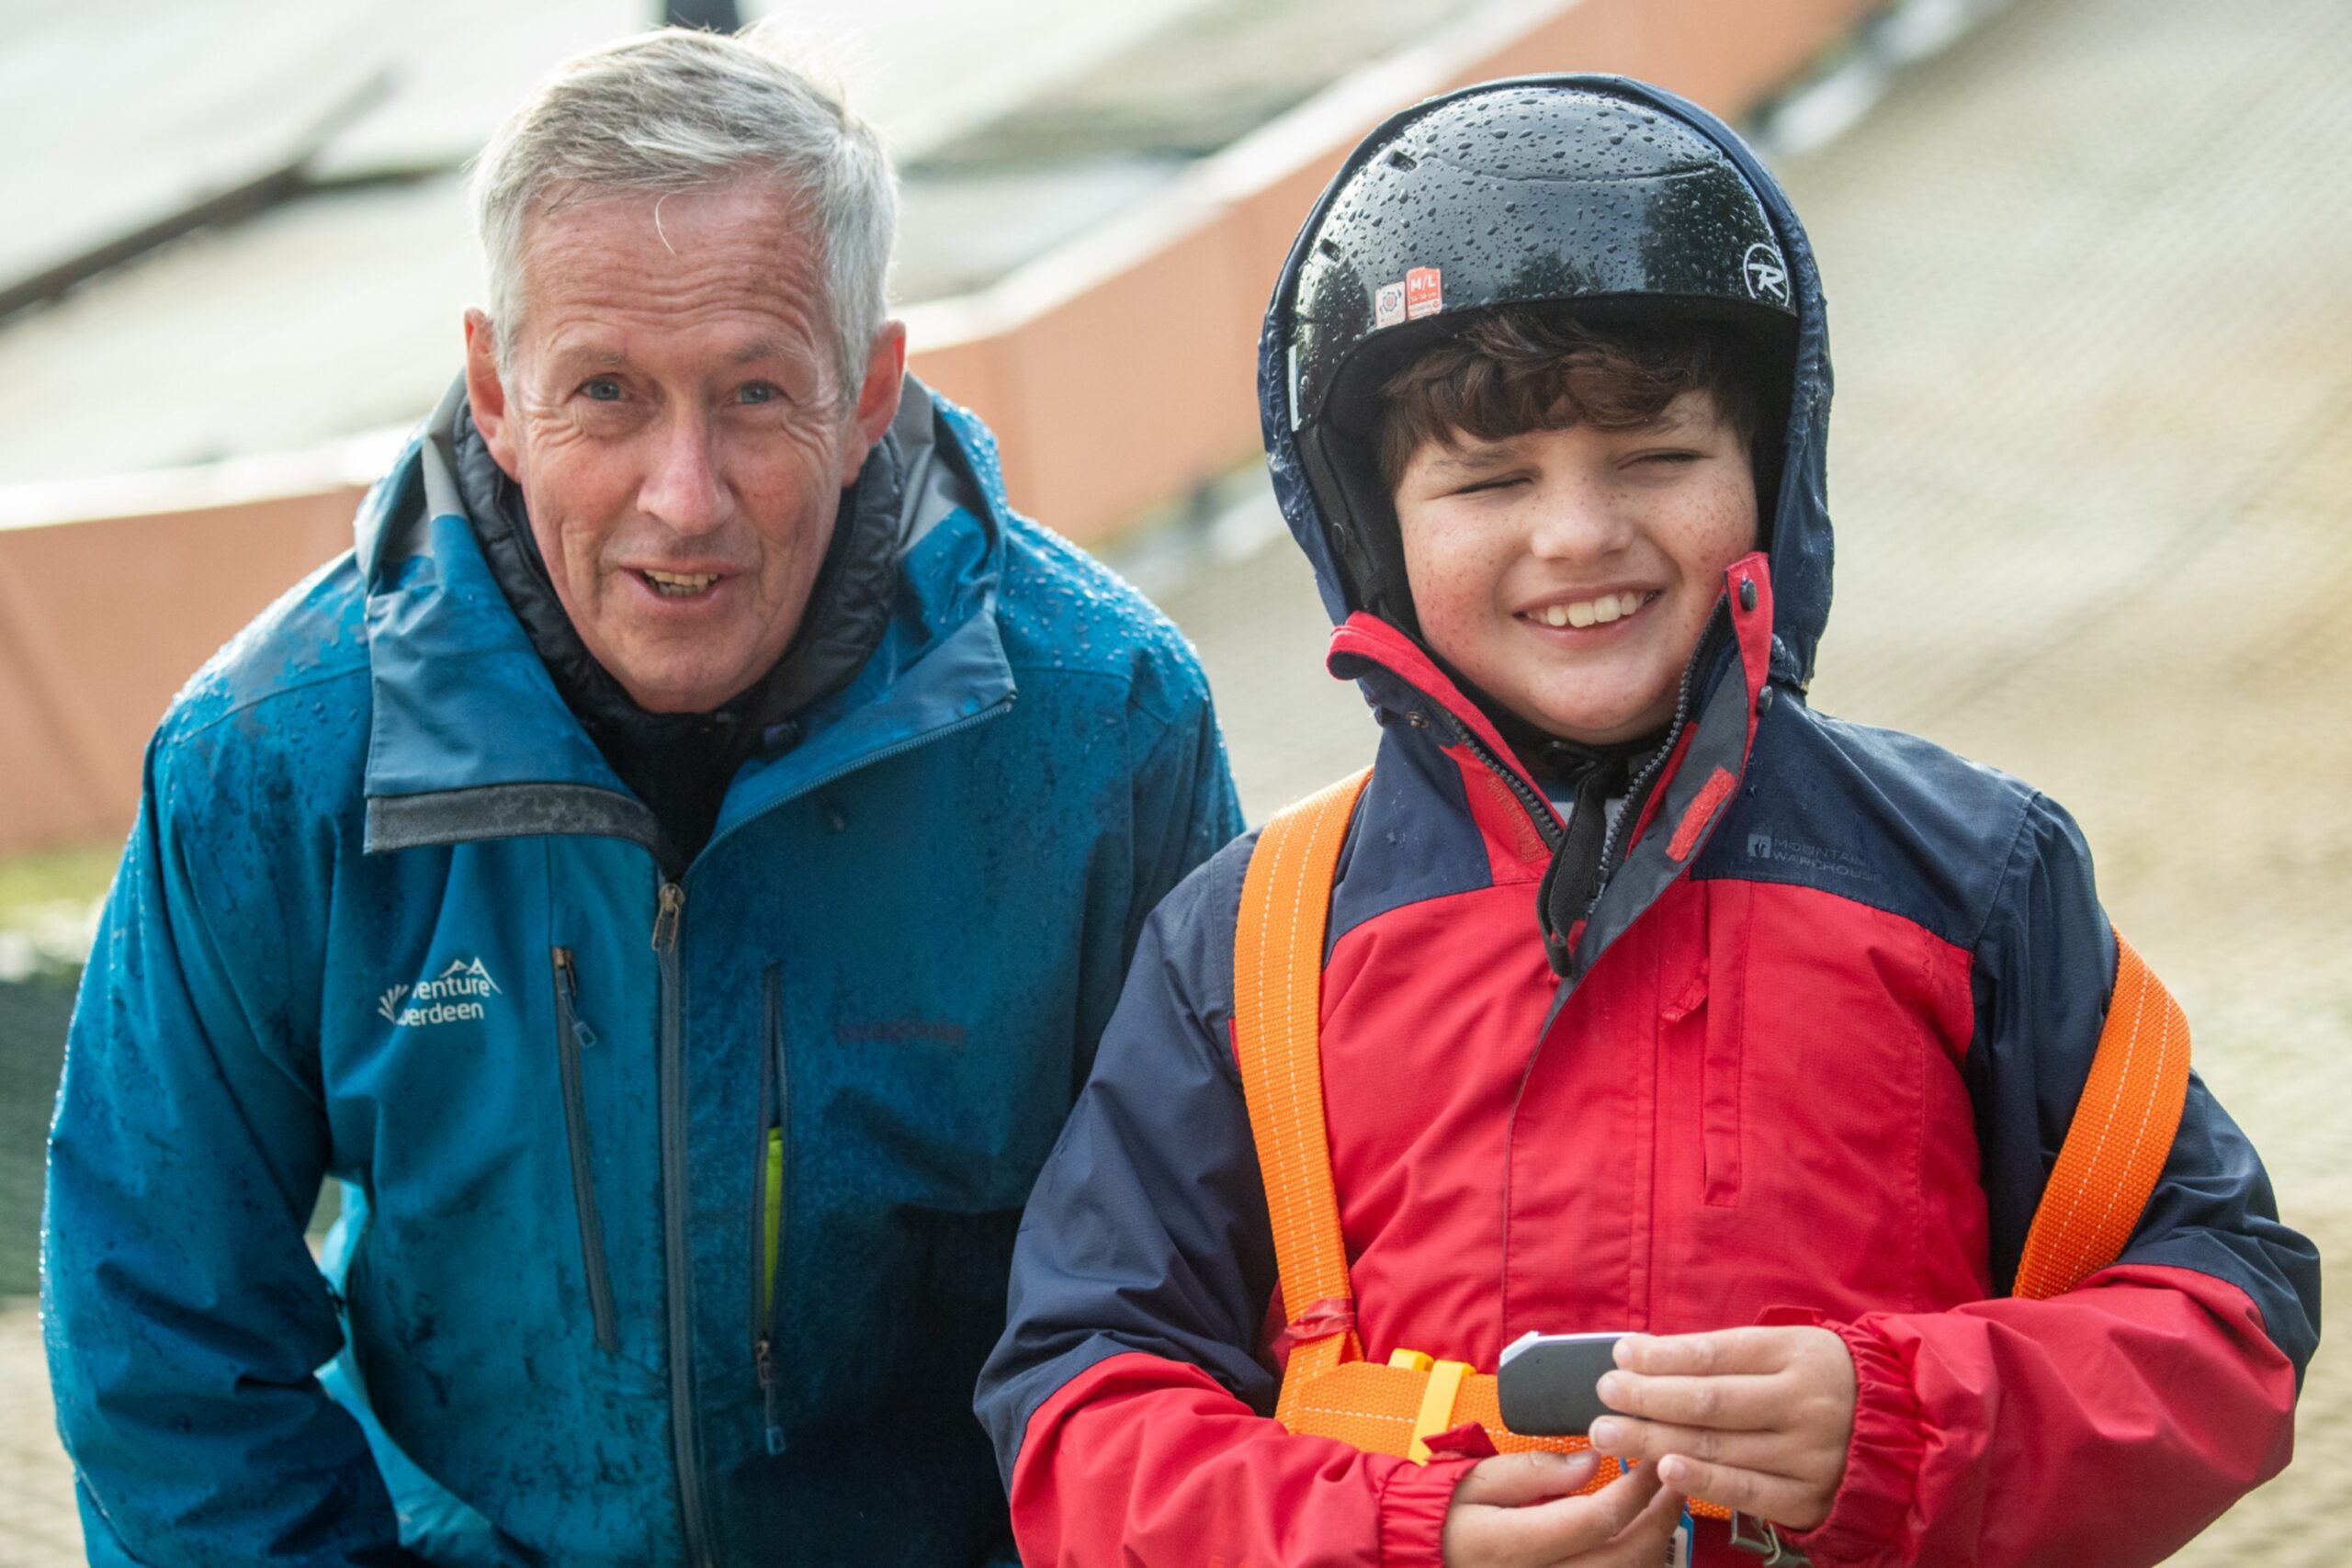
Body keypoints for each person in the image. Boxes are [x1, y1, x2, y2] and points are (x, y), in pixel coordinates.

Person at [976, 76, 2318, 1566]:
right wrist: (1410, 1535)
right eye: (1489, 480)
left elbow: (2229, 1305)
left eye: (1658, 458)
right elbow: (1079, 1410)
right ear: (1367, 528)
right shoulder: (1249, 943)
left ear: (1771, 474)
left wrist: (1901, 1424)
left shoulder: (1979, 873)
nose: (1578, 535)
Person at [43, 26, 1239, 1567]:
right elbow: (162, 1343)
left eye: (754, 392)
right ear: (492, 387)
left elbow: (1206, 1297)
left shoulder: (1107, 725)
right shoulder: (270, 760)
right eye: (605, 393)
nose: (685, 495)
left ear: (871, 387)